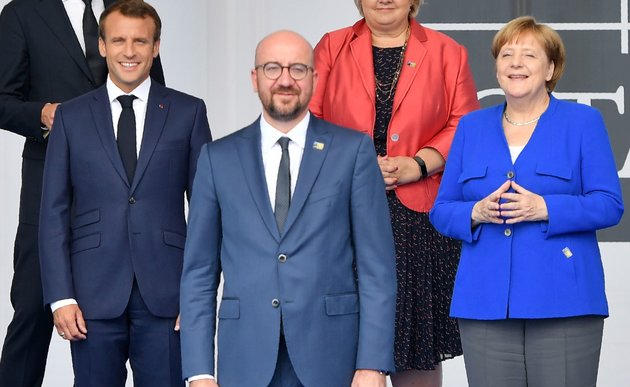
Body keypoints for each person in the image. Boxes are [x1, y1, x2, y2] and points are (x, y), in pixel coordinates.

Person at [179, 30, 397, 387]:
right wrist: (199, 371)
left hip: (331, 357)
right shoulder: (217, 159)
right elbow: (199, 274)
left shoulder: (352, 152)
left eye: (297, 69)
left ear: (314, 77)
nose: (285, 80)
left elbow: (377, 268)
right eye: (272, 68)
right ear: (255, 78)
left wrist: (372, 363)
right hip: (245, 358)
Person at [429, 16, 624, 387]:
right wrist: (475, 211)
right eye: (506, 54)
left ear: (551, 68)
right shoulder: (471, 127)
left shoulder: (583, 122)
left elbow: (609, 204)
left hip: (564, 301)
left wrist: (546, 208)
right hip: (484, 303)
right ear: (497, 67)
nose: (515, 63)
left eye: (529, 55)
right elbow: (441, 210)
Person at [37, 1, 210, 386]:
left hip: (168, 295)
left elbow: (206, 210)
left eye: (139, 41)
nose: (129, 51)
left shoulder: (188, 112)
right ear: (101, 45)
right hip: (90, 296)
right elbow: (53, 211)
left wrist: (199, 293)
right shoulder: (71, 116)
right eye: (118, 40)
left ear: (156, 46)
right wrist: (60, 297)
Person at [309, 1, 479, 385]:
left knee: (416, 355)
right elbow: (309, 121)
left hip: (417, 224)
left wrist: (418, 164)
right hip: (343, 218)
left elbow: (465, 125)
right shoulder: (331, 47)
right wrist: (357, 166)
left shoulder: (447, 51)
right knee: (346, 352)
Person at [0, 0, 164, 384]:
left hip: (124, 182)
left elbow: (156, 92)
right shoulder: (22, 13)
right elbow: (2, 100)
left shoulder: (128, 9)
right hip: (50, 183)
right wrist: (42, 113)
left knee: (127, 306)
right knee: (32, 309)